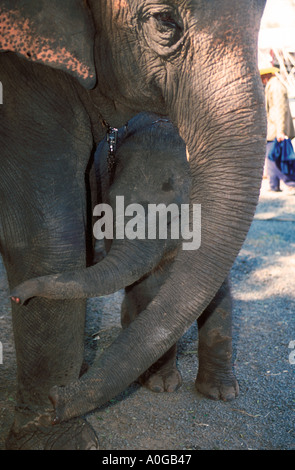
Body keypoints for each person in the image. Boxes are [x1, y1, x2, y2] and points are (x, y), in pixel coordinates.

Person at [260, 65, 295, 193]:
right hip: (274, 128)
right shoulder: (272, 86)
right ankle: (274, 185)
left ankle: (290, 183)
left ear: (266, 75)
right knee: (273, 157)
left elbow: (280, 109)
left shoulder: (275, 87)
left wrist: (280, 130)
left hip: (276, 129)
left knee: (275, 157)